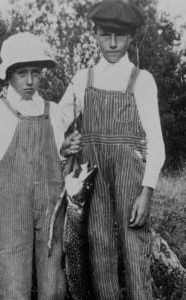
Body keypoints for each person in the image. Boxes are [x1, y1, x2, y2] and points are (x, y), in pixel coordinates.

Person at [59, 1, 165, 299]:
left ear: (132, 37)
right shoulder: (83, 79)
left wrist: (147, 190)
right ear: (95, 34)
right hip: (92, 173)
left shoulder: (142, 81)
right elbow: (56, 122)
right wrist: (63, 145)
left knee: (135, 246)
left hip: (129, 172)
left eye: (120, 35)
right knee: (98, 244)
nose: (114, 43)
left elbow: (156, 141)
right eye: (106, 35)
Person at [0, 32, 68, 300]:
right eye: (23, 73)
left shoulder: (54, 111)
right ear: (9, 74)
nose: (31, 81)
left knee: (53, 284)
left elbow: (61, 161)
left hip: (51, 209)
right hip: (10, 211)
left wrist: (69, 154)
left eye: (36, 72)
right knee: (13, 283)